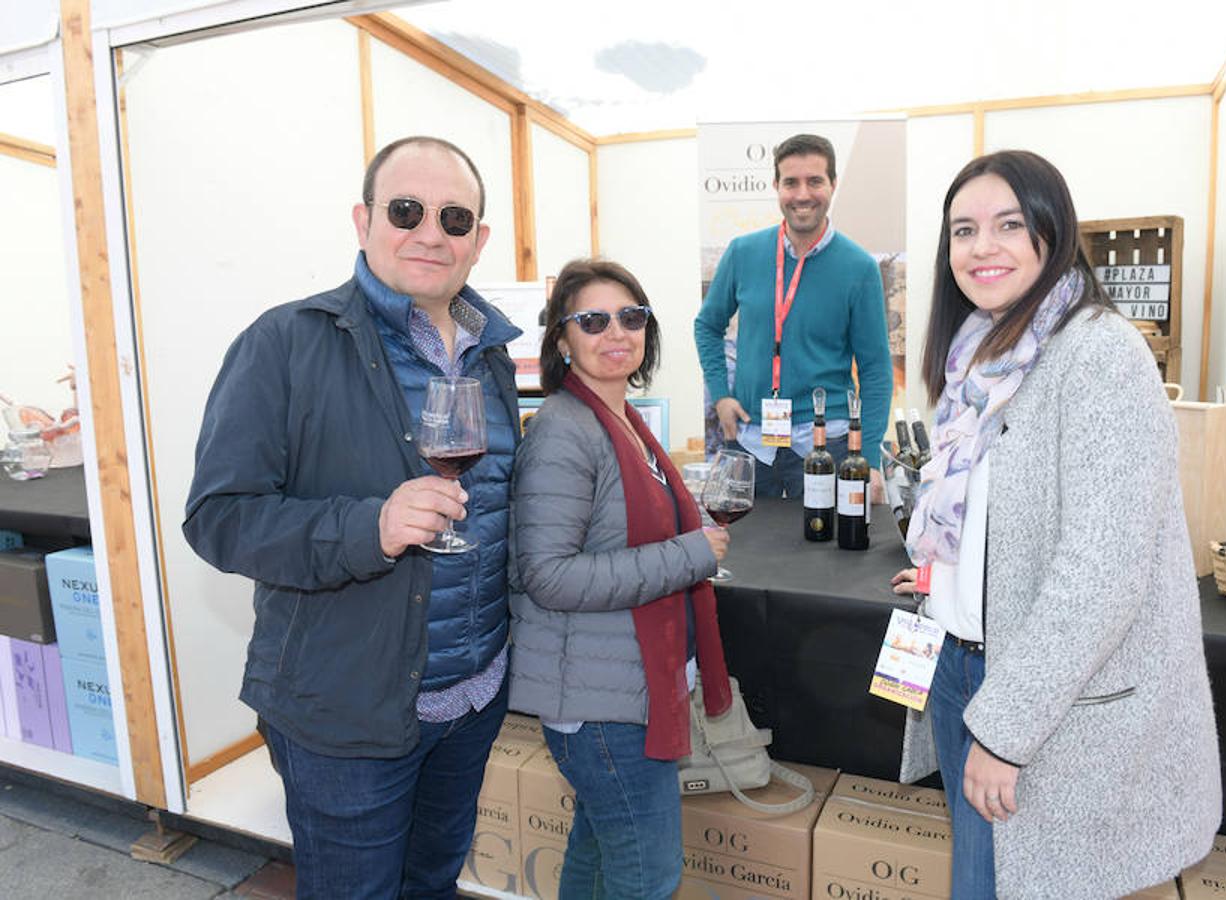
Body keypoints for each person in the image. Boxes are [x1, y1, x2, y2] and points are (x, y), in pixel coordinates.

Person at [183, 136, 521, 899]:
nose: (431, 232)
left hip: (472, 698)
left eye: (454, 217)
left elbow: (500, 508)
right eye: (406, 210)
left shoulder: (491, 355)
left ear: (480, 240)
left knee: (432, 884)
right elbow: (219, 518)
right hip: (345, 716)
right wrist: (369, 528)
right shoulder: (285, 343)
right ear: (364, 220)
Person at [890, 150, 1221, 899]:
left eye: (1009, 225)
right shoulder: (978, 353)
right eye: (964, 230)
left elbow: (1102, 571)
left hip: (1032, 696)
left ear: (1053, 232)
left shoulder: (1099, 353)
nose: (982, 248)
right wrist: (948, 575)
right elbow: (995, 504)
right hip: (956, 660)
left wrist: (1005, 732)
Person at [508, 258, 734, 899]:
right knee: (647, 878)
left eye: (631, 317)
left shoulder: (623, 421)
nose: (617, 331)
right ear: (561, 340)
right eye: (593, 319)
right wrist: (690, 554)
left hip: (623, 689)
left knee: (598, 853)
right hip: (601, 707)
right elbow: (548, 576)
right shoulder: (562, 432)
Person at [694, 133, 892, 498]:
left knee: (826, 553)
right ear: (776, 186)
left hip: (825, 444)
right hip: (751, 440)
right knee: (748, 552)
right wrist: (721, 395)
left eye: (815, 181)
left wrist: (870, 460)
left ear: (832, 184)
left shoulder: (859, 268)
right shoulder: (743, 252)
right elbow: (707, 326)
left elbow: (876, 371)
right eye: (791, 182)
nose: (802, 195)